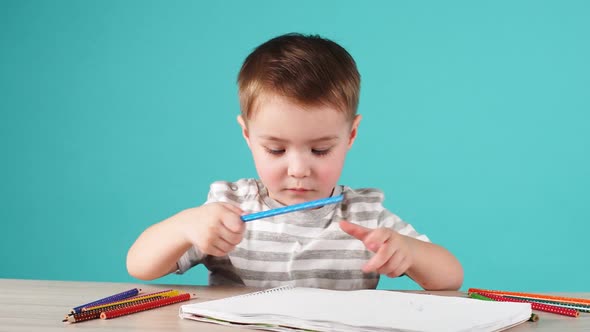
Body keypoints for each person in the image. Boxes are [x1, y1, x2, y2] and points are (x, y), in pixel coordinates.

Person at [127, 33, 463, 290]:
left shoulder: (365, 217)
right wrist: (187, 226)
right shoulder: (227, 210)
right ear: (247, 135)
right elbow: (139, 265)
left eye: (319, 150)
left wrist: (409, 252)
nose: (299, 169)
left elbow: (450, 278)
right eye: (276, 150)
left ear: (350, 136)